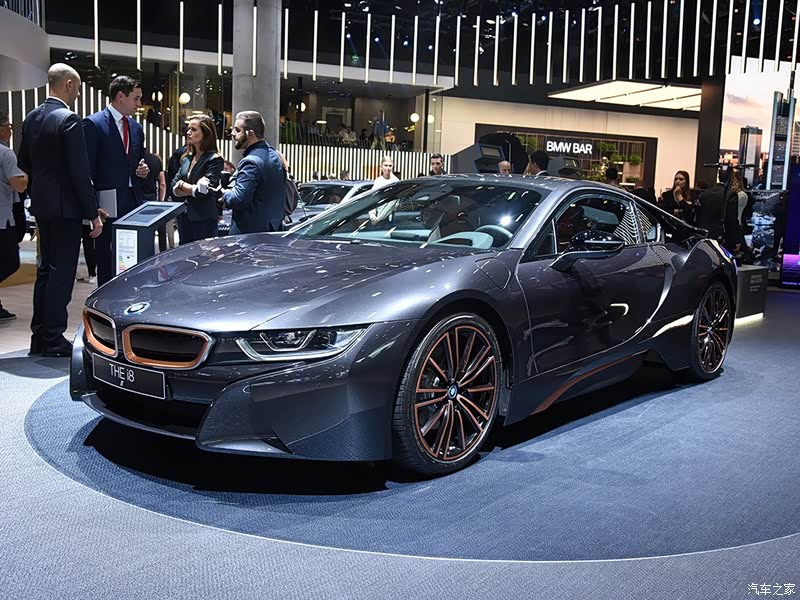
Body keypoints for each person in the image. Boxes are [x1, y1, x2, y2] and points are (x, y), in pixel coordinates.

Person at [18, 63, 103, 356]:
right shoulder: (69, 119)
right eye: (77, 87)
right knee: (61, 273)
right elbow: (80, 173)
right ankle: (53, 338)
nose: (77, 93)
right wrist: (92, 212)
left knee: (45, 270)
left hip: (42, 207)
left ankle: (40, 336)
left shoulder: (31, 117)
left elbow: (24, 163)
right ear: (68, 84)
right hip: (66, 210)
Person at [83, 75, 149, 285]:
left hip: (134, 203)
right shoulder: (93, 124)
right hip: (107, 205)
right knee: (106, 258)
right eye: (136, 98)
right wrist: (92, 207)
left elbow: (138, 161)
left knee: (133, 260)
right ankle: (105, 300)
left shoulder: (137, 128)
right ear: (121, 96)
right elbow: (87, 170)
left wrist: (142, 171)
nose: (139, 104)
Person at [221, 110, 286, 234]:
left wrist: (225, 194)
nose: (233, 133)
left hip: (249, 235)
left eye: (237, 130)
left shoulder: (250, 162)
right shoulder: (275, 156)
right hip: (272, 231)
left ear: (250, 133)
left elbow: (238, 199)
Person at [171, 115, 223, 244]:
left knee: (204, 255)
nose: (188, 132)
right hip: (184, 218)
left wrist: (182, 185)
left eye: (193, 129)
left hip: (204, 220)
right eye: (188, 129)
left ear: (206, 133)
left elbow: (204, 191)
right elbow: (173, 186)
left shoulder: (214, 159)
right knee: (184, 254)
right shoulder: (186, 159)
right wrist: (191, 189)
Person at [0, 109, 28, 321]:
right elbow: (19, 184)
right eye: (9, 126)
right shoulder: (6, 153)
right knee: (10, 261)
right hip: (2, 218)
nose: (10, 130)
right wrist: (27, 174)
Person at [695, 169, 740, 248]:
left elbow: (698, 215)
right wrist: (734, 241)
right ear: (731, 178)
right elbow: (731, 219)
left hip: (703, 234)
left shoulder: (705, 193)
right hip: (720, 235)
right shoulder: (731, 195)